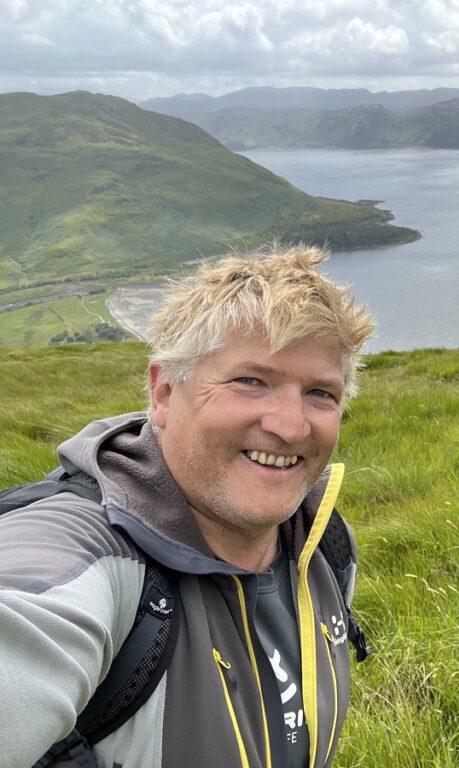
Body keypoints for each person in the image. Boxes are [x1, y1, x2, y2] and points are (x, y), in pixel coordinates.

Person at [0, 243, 374, 768]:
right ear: (164, 393)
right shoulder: (85, 558)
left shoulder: (324, 543)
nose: (291, 426)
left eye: (320, 394)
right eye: (251, 381)